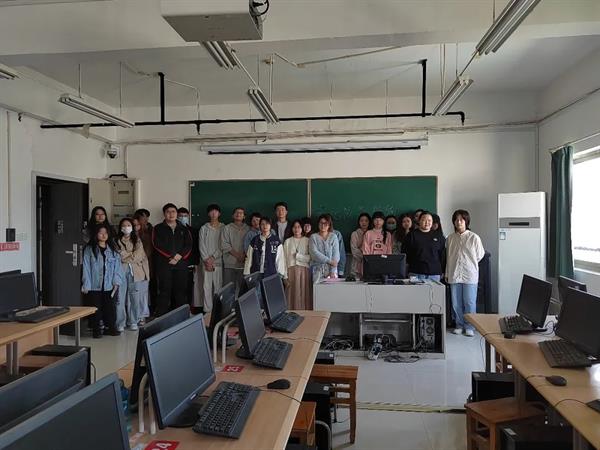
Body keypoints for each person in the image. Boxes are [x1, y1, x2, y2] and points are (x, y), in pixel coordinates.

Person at [446, 209, 485, 337]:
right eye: (456, 220)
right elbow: (448, 257)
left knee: (469, 302)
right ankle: (459, 324)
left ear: (466, 221)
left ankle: (470, 326)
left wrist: (469, 264)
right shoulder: (450, 238)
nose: (459, 222)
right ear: (453, 222)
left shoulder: (474, 237)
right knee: (456, 303)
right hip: (454, 273)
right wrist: (447, 273)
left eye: (462, 219)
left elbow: (480, 255)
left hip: (469, 274)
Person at [82, 225, 123, 338]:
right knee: (96, 308)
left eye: (106, 233)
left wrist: (116, 282)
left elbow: (118, 268)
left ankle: (110, 328)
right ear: (96, 234)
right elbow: (86, 267)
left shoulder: (113, 250)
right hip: (94, 285)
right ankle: (96, 330)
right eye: (101, 233)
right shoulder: (89, 249)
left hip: (109, 285)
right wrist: (86, 284)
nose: (103, 235)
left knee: (110, 307)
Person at [152, 203, 193, 316]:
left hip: (181, 265)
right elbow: (156, 244)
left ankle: (181, 316)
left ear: (177, 213)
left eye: (173, 211)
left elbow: (189, 245)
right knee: (164, 290)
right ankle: (161, 316)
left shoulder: (184, 229)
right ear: (164, 214)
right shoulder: (158, 228)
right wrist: (170, 256)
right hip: (164, 265)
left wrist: (179, 256)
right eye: (168, 212)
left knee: (181, 291)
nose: (171, 214)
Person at [115, 218, 150, 331]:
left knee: (135, 298)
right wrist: (131, 255)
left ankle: (133, 321)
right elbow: (118, 255)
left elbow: (138, 256)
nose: (126, 227)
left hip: (136, 273)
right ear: (120, 228)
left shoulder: (137, 240)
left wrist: (126, 255)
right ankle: (120, 323)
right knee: (119, 299)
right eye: (124, 225)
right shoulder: (116, 240)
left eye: (128, 225)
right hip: (120, 272)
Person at [403, 211, 445, 281]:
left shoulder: (439, 236)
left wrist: (443, 270)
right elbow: (405, 253)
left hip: (434, 273)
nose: (427, 222)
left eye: (429, 220)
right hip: (416, 272)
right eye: (424, 220)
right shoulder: (411, 235)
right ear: (419, 221)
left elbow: (442, 255)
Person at [199, 204, 224, 312]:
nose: (214, 213)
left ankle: (217, 311)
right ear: (208, 214)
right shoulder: (204, 228)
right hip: (206, 263)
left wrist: (213, 257)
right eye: (211, 211)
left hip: (218, 262)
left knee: (218, 287)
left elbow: (223, 245)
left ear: (219, 213)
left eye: (216, 211)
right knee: (207, 287)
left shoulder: (224, 228)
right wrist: (207, 260)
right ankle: (208, 311)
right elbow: (201, 245)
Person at [283, 220, 311, 309]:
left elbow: (311, 258)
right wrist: (285, 277)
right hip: (291, 272)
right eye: (294, 227)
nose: (296, 229)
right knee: (292, 295)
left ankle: (305, 315)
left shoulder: (307, 240)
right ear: (291, 229)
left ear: (302, 228)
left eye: (299, 227)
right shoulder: (287, 241)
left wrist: (299, 256)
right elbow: (284, 261)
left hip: (304, 272)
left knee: (303, 294)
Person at [221, 207, 249, 293]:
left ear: (244, 216)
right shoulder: (227, 228)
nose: (238, 214)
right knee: (228, 289)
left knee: (242, 290)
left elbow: (250, 245)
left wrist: (243, 255)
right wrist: (237, 255)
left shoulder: (248, 228)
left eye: (241, 213)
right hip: (230, 263)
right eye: (236, 212)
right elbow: (224, 244)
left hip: (244, 264)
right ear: (233, 215)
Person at [177, 207, 201, 307]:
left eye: (185, 216)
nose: (183, 218)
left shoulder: (193, 231)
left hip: (189, 265)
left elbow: (196, 248)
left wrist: (194, 263)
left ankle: (188, 309)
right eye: (180, 216)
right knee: (177, 289)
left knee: (189, 288)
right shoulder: (172, 230)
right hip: (176, 264)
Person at [309, 214, 340, 282]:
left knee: (332, 288)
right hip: (317, 271)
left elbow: (336, 256)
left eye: (325, 223)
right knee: (317, 288)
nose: (323, 225)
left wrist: (332, 271)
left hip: (332, 271)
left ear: (329, 225)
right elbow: (314, 253)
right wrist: (329, 261)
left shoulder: (333, 237)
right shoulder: (313, 237)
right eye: (321, 223)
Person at [350, 213, 370, 277]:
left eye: (366, 220)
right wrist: (366, 258)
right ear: (359, 222)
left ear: (369, 222)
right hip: (357, 265)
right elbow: (354, 250)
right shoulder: (355, 234)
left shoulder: (371, 234)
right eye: (361, 220)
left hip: (369, 265)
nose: (364, 222)